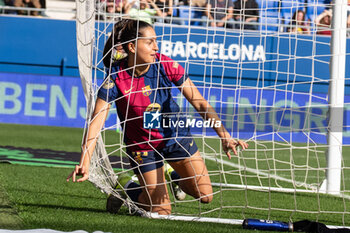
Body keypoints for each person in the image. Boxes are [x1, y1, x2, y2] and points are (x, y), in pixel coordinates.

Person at [67, 19, 248, 215]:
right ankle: (128, 188)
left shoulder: (165, 64)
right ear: (132, 47)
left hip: (175, 138)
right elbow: (96, 122)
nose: (156, 47)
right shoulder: (115, 78)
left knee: (205, 196)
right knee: (162, 211)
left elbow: (200, 103)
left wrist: (224, 135)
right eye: (150, 42)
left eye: (156, 41)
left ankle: (174, 176)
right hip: (142, 147)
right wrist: (85, 161)